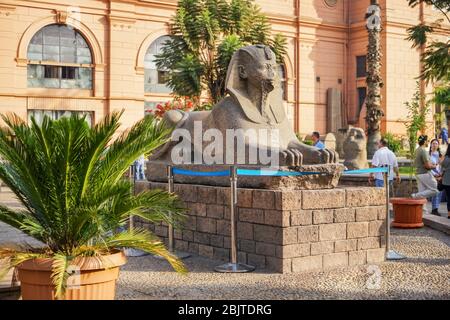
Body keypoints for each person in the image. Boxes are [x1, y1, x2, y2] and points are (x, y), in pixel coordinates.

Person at [411, 135, 439, 215]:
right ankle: (415, 195)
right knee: (435, 190)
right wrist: (434, 166)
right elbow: (427, 165)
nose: (428, 143)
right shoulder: (423, 150)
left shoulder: (417, 150)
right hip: (424, 173)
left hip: (418, 174)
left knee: (422, 192)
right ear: (425, 141)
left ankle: (424, 212)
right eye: (427, 141)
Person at [429, 138, 443, 216]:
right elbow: (427, 167)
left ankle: (436, 208)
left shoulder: (440, 155)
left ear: (438, 145)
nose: (434, 145)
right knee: (435, 193)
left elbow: (442, 167)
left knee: (439, 193)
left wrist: (440, 175)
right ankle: (434, 209)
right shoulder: (428, 155)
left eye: (436, 143)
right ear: (431, 145)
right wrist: (434, 175)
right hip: (431, 176)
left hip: (440, 177)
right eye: (433, 143)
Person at [438, 144, 450, 219]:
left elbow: (442, 168)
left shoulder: (446, 158)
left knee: (449, 198)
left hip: (446, 181)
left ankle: (449, 214)